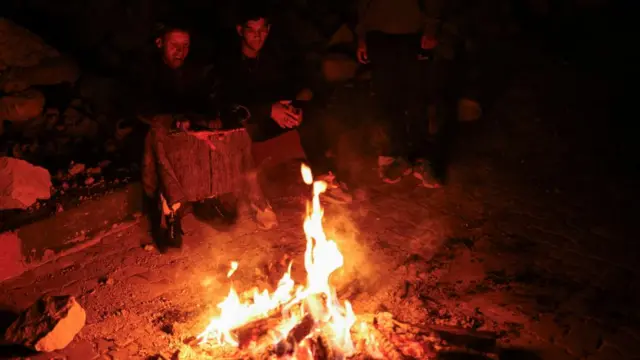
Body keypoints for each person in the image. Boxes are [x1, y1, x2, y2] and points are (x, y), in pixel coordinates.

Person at [130, 21, 277, 251]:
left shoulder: (196, 70)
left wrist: (215, 117)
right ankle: (170, 209)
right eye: (174, 45)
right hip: (160, 133)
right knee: (157, 138)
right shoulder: (144, 70)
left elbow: (211, 97)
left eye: (185, 45)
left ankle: (223, 196)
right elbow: (142, 109)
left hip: (191, 131)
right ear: (160, 44)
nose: (181, 51)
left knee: (236, 135)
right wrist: (174, 119)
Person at [217, 5, 352, 204]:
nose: (258, 36)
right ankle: (254, 197)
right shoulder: (228, 61)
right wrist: (269, 110)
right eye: (252, 31)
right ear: (240, 31)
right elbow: (228, 104)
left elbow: (291, 83)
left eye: (262, 30)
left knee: (312, 114)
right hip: (245, 124)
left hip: (272, 120)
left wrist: (294, 105)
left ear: (268, 30)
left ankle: (323, 178)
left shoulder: (273, 55)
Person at [356, 0, 443, 187]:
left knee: (417, 97)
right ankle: (392, 155)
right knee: (385, 98)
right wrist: (362, 34)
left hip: (413, 32)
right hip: (377, 33)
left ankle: (420, 158)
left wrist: (431, 27)